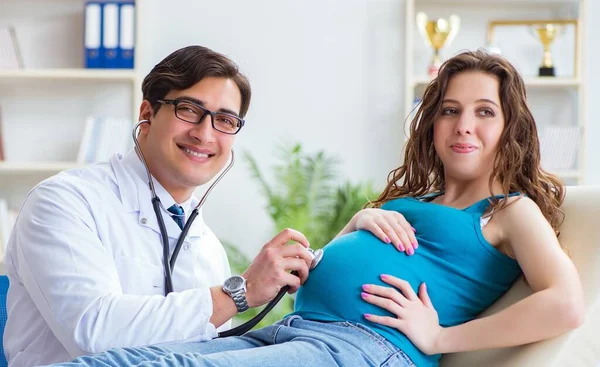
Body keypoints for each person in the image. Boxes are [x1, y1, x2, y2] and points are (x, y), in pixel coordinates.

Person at [48, 49, 585, 367]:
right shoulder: (413, 201)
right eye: (449, 110)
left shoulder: (509, 211)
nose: (463, 124)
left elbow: (565, 304)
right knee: (128, 361)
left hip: (362, 348)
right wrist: (353, 226)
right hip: (298, 328)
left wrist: (441, 338)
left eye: (484, 111)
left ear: (509, 127)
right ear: (432, 123)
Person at [3, 45, 417, 367]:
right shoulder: (63, 202)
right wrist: (240, 292)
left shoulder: (204, 245)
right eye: (189, 110)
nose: (205, 133)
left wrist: (348, 236)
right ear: (147, 112)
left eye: (225, 120)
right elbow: (92, 332)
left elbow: (219, 352)